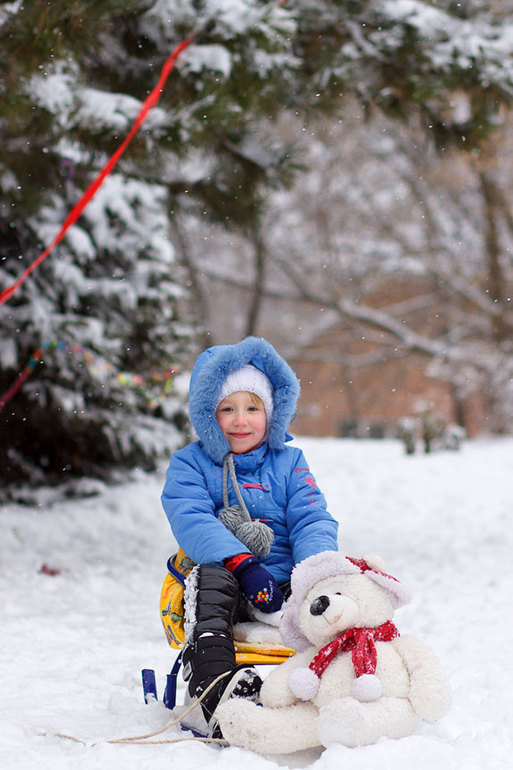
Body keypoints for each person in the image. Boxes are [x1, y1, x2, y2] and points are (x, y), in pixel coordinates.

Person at [161, 336, 339, 736]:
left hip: (286, 584)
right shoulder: (190, 464)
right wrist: (242, 564)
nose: (240, 420)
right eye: (227, 409)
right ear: (208, 415)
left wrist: (314, 570)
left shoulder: (289, 462)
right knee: (209, 580)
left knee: (334, 596)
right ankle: (214, 690)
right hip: (227, 582)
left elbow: (311, 517)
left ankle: (332, 685)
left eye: (252, 408)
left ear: (272, 413)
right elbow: (191, 517)